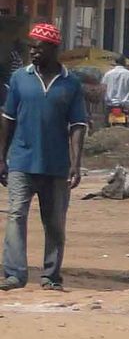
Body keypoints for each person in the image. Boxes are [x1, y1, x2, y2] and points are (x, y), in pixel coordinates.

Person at [1, 22, 88, 290]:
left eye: (38, 48)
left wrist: (76, 163)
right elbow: (7, 119)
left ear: (53, 48)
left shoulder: (70, 83)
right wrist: (1, 158)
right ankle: (15, 274)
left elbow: (78, 126)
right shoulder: (19, 79)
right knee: (16, 215)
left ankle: (51, 276)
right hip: (21, 161)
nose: (33, 53)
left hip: (57, 165)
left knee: (55, 222)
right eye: (31, 48)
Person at [103, 56, 129, 123]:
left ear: (115, 62)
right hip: (125, 106)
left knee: (107, 127)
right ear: (124, 63)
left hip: (110, 105)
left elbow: (103, 87)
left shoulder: (108, 74)